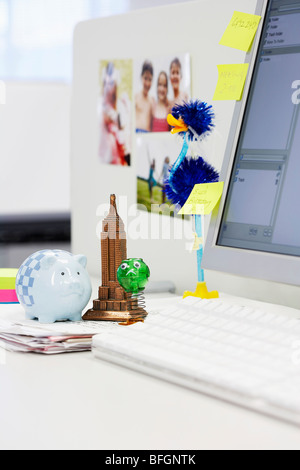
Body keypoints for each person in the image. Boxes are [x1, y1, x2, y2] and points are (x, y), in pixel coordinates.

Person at [98, 62, 130, 165]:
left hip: (119, 154)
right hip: (105, 155)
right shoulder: (101, 105)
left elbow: (124, 132)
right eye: (106, 83)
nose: (108, 87)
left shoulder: (120, 106)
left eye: (111, 83)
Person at [135, 61, 155, 132]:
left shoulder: (152, 101)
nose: (147, 83)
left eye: (150, 79)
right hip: (136, 131)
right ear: (141, 77)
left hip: (147, 134)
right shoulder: (136, 97)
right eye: (145, 78)